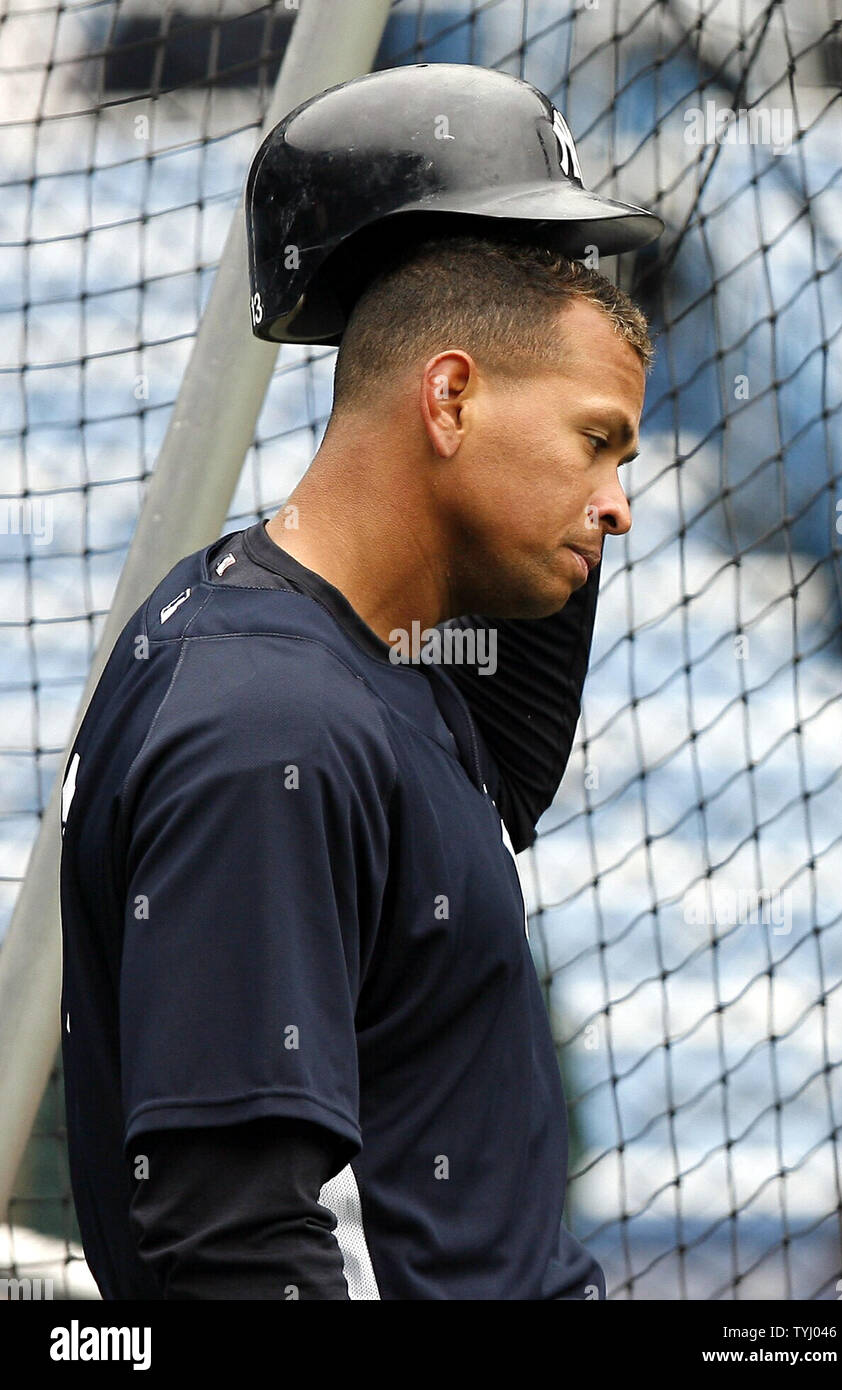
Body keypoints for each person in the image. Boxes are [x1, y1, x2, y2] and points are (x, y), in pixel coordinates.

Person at [59, 64, 659, 1300]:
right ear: (448, 396)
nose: (619, 504)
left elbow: (523, 684)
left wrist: (510, 240)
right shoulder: (265, 724)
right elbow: (233, 1254)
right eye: (596, 441)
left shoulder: (373, 663)